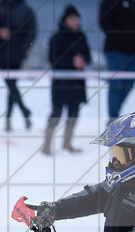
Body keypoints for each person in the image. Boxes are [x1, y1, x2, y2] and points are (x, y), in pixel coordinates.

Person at [42, 5, 90, 155]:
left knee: (74, 114)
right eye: (72, 19)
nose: (75, 21)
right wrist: (72, 61)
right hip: (61, 84)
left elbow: (88, 56)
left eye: (77, 18)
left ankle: (67, 143)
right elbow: (53, 59)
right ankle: (47, 145)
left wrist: (83, 60)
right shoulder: (57, 37)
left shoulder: (82, 36)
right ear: (65, 20)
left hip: (77, 84)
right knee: (56, 113)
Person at [0, 0, 36, 131]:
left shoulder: (26, 10)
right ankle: (23, 112)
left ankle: (11, 117)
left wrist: (23, 49)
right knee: (11, 84)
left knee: (11, 85)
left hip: (18, 54)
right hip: (0, 54)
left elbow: (32, 32)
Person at [99, 0, 135, 122]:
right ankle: (113, 117)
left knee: (129, 83)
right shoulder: (107, 3)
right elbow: (105, 23)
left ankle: (115, 112)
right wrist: (122, 40)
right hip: (115, 51)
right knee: (116, 84)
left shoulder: (132, 3)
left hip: (133, 53)